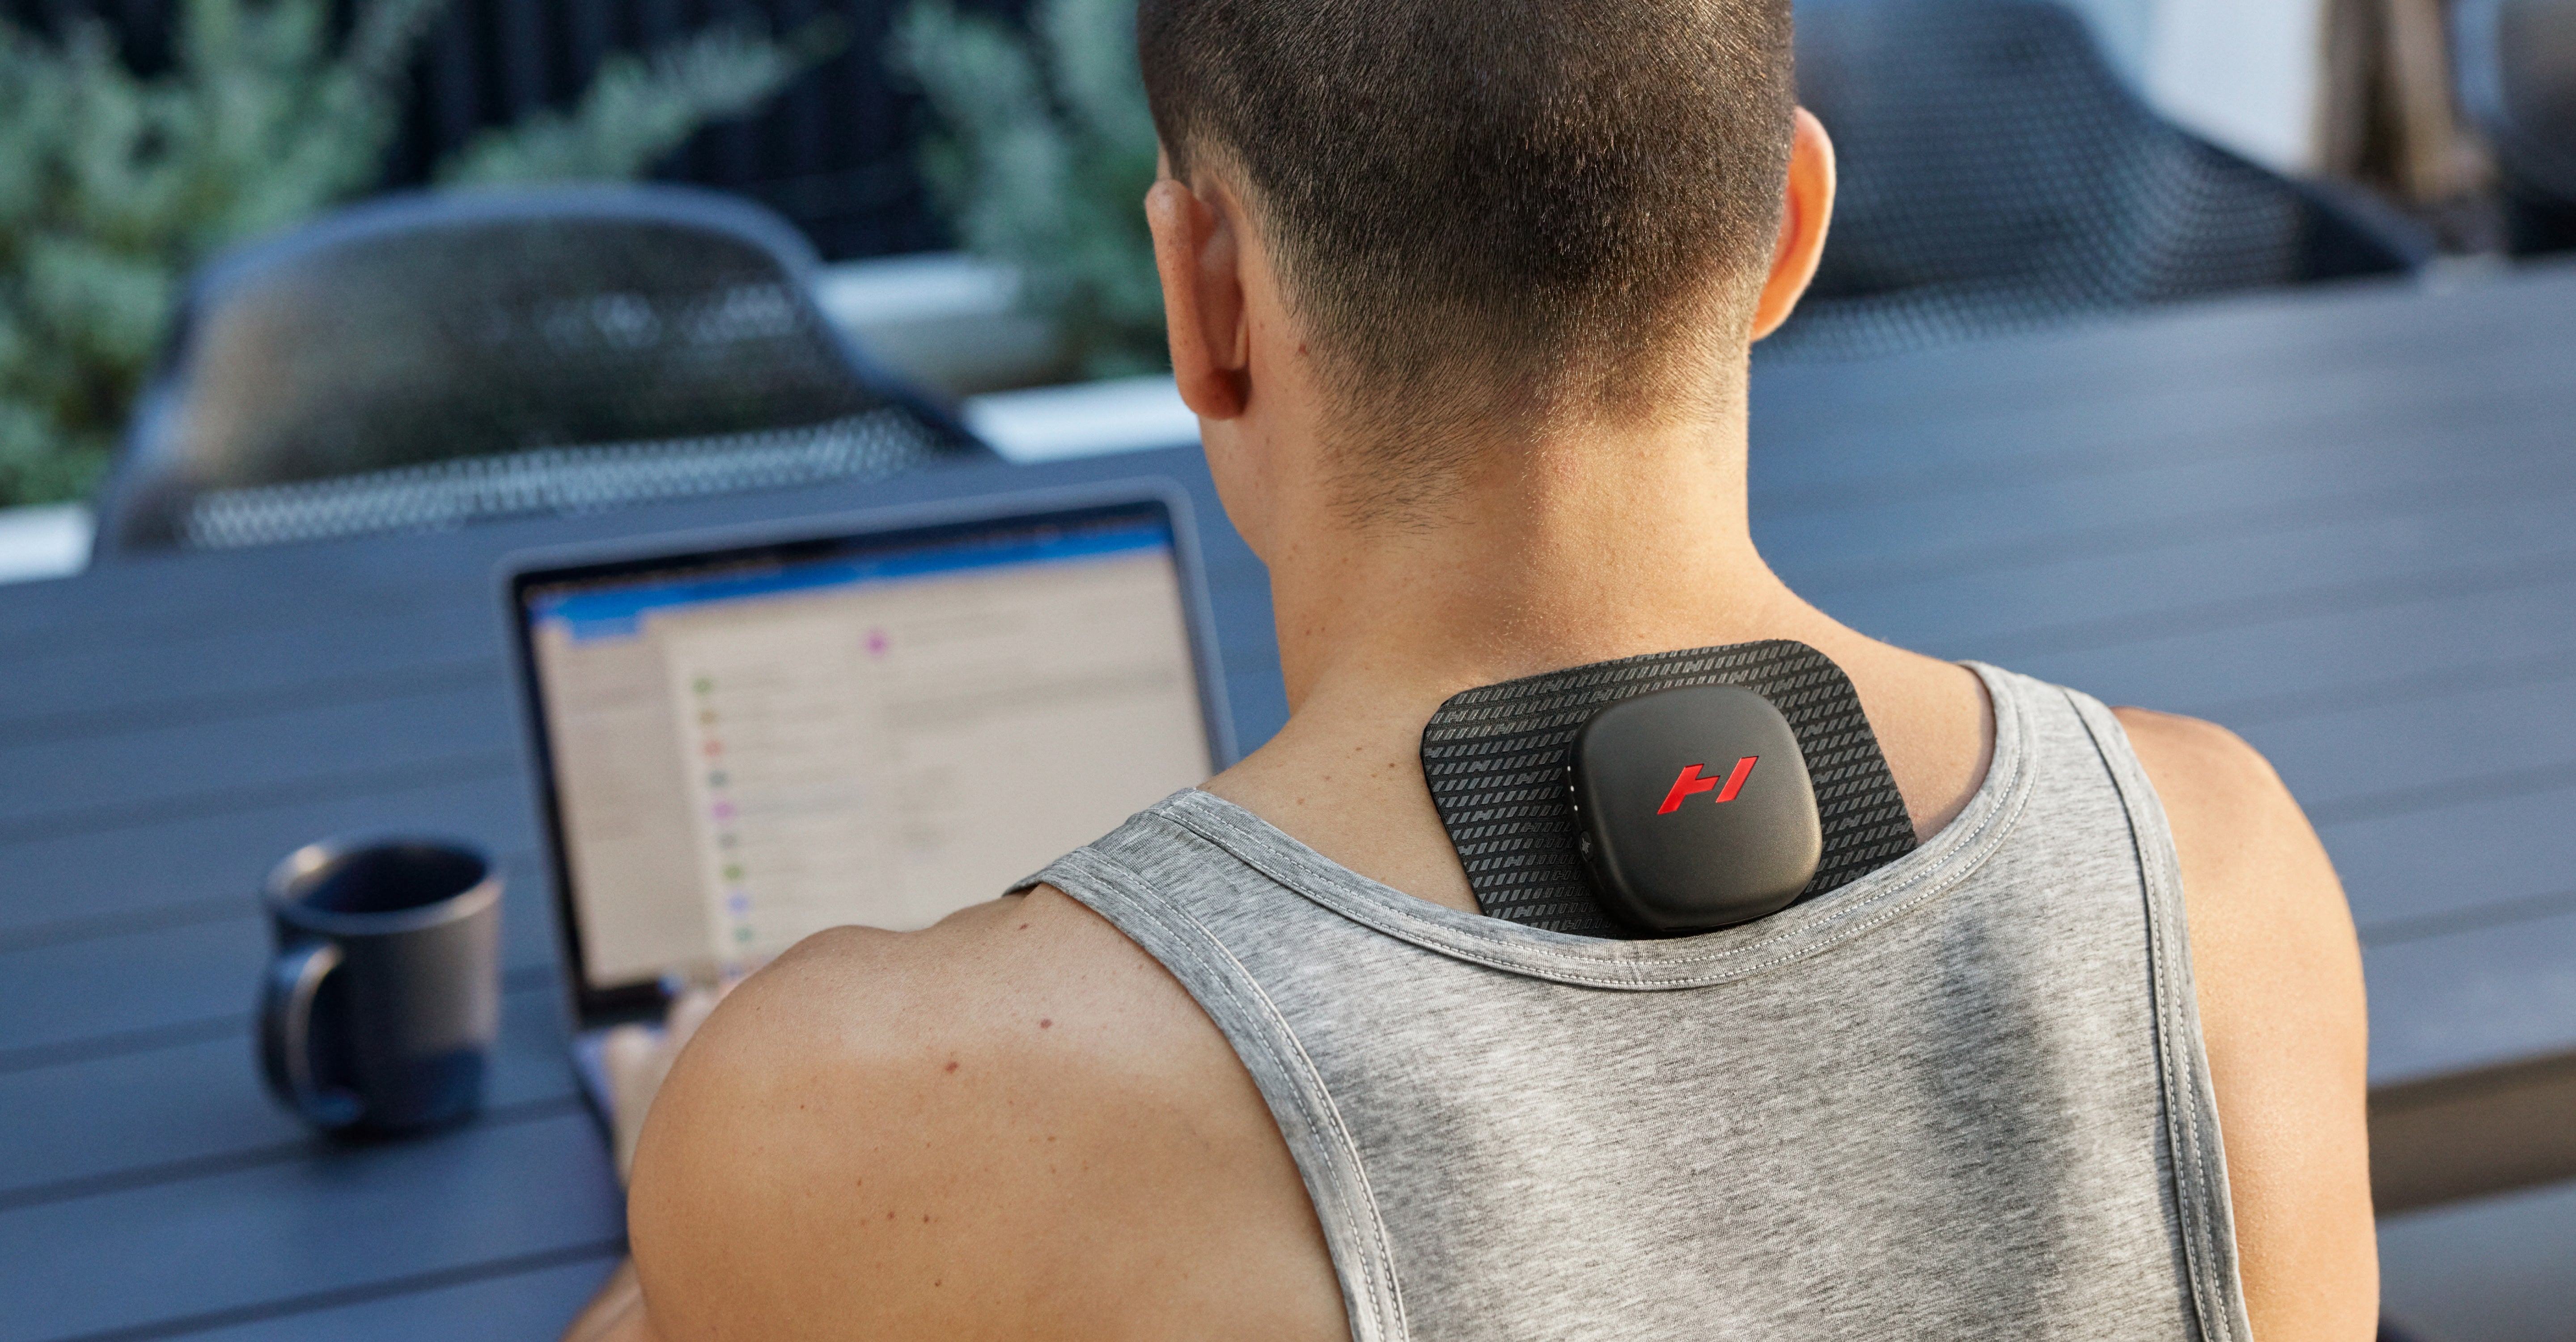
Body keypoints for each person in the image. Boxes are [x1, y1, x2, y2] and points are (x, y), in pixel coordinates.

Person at [566, 0, 2376, 1337]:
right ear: (1785, 233)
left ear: (1207, 296)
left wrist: (714, 1180)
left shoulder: (866, 1109)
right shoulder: (2216, 875)